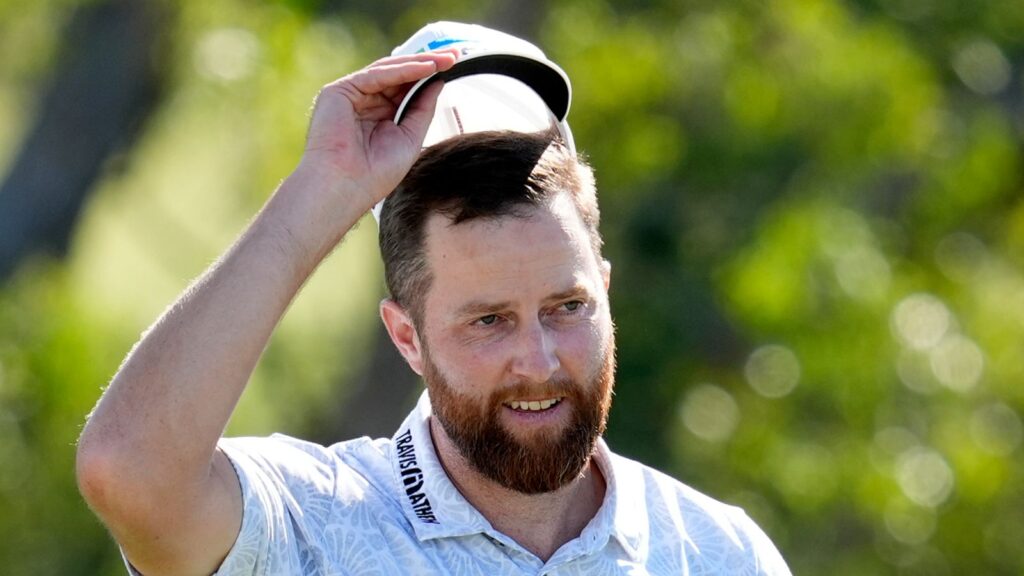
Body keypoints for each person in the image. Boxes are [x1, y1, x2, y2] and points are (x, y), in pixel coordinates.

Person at [76, 22, 792, 576]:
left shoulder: (718, 551)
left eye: (565, 307)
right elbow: (128, 472)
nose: (538, 360)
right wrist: (322, 188)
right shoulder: (309, 524)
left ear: (603, 291)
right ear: (406, 337)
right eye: (489, 321)